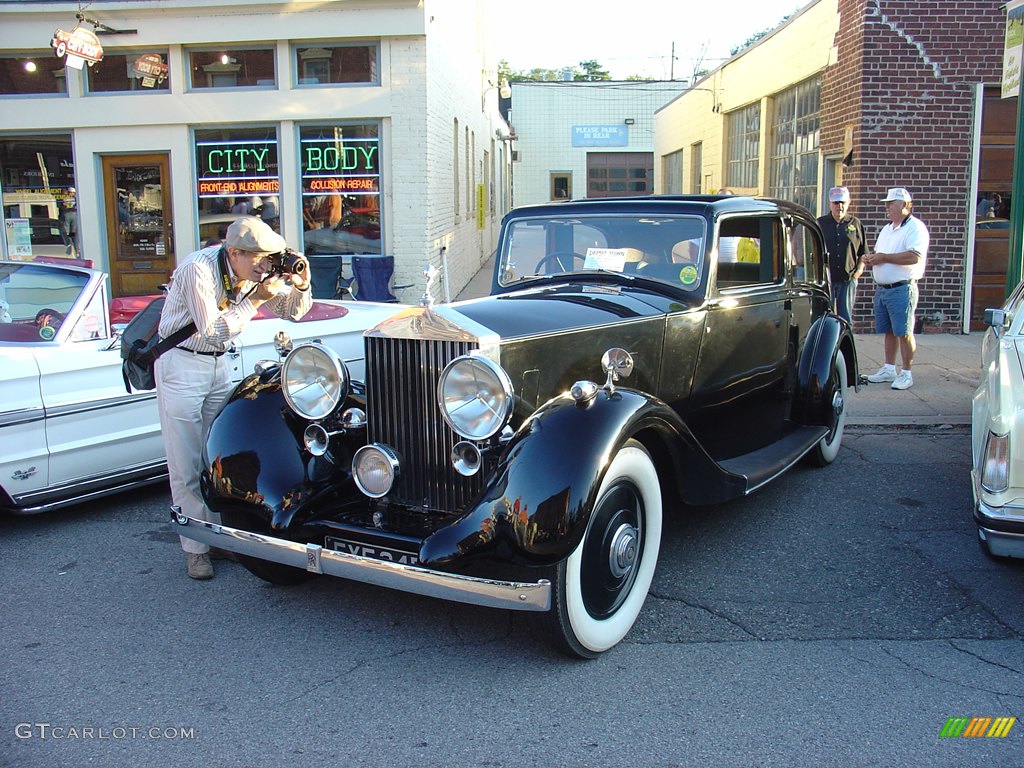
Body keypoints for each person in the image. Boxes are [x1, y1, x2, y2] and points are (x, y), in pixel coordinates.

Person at [156, 217, 312, 580]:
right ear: (234, 253)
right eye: (257, 258)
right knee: (185, 461)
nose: (264, 265)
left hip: (218, 365)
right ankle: (196, 549)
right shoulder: (198, 270)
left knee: (218, 457)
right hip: (182, 364)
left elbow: (293, 312)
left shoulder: (255, 269)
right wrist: (256, 299)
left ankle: (220, 536)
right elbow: (212, 332)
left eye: (270, 257)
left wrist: (301, 284)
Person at [863, 187, 929, 391]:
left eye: (892, 204)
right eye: (887, 203)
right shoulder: (888, 228)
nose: (887, 207)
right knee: (889, 331)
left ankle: (906, 372)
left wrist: (884, 258)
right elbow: (881, 253)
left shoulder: (915, 228)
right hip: (883, 289)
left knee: (904, 331)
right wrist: (871, 259)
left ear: (906, 206)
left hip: (902, 288)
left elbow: (914, 256)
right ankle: (889, 368)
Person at [817, 186, 866, 324]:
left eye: (842, 202)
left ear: (848, 202)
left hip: (848, 279)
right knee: (825, 317)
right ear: (830, 204)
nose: (839, 206)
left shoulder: (855, 224)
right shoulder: (820, 223)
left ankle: (844, 344)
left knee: (846, 318)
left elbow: (863, 252)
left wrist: (859, 271)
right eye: (836, 203)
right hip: (827, 280)